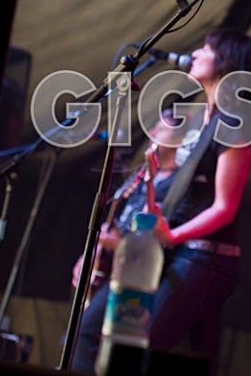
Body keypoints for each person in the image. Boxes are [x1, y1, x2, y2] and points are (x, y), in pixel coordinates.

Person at [72, 27, 251, 375]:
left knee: (136, 346)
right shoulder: (205, 119)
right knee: (101, 334)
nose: (196, 54)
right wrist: (151, 182)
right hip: (181, 254)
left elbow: (225, 207)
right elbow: (178, 200)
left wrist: (173, 236)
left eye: (206, 49)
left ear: (226, 61)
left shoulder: (236, 123)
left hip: (206, 258)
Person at [70, 109, 182, 373]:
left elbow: (160, 240)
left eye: (162, 128)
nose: (154, 133)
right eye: (155, 127)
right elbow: (120, 224)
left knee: (94, 334)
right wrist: (92, 253)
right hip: (117, 270)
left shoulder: (176, 183)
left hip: (142, 278)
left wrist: (119, 245)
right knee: (82, 332)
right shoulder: (141, 178)